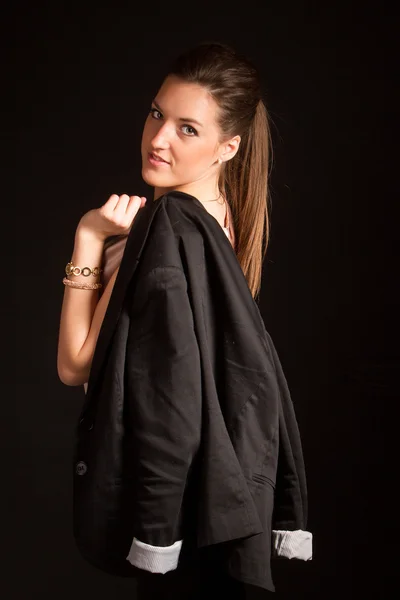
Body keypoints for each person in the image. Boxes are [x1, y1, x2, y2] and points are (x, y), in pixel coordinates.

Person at [57, 42, 312, 598]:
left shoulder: (166, 226)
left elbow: (77, 366)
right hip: (209, 506)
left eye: (188, 129)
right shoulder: (225, 222)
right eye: (157, 114)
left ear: (229, 146)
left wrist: (88, 237)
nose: (159, 138)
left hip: (168, 503)